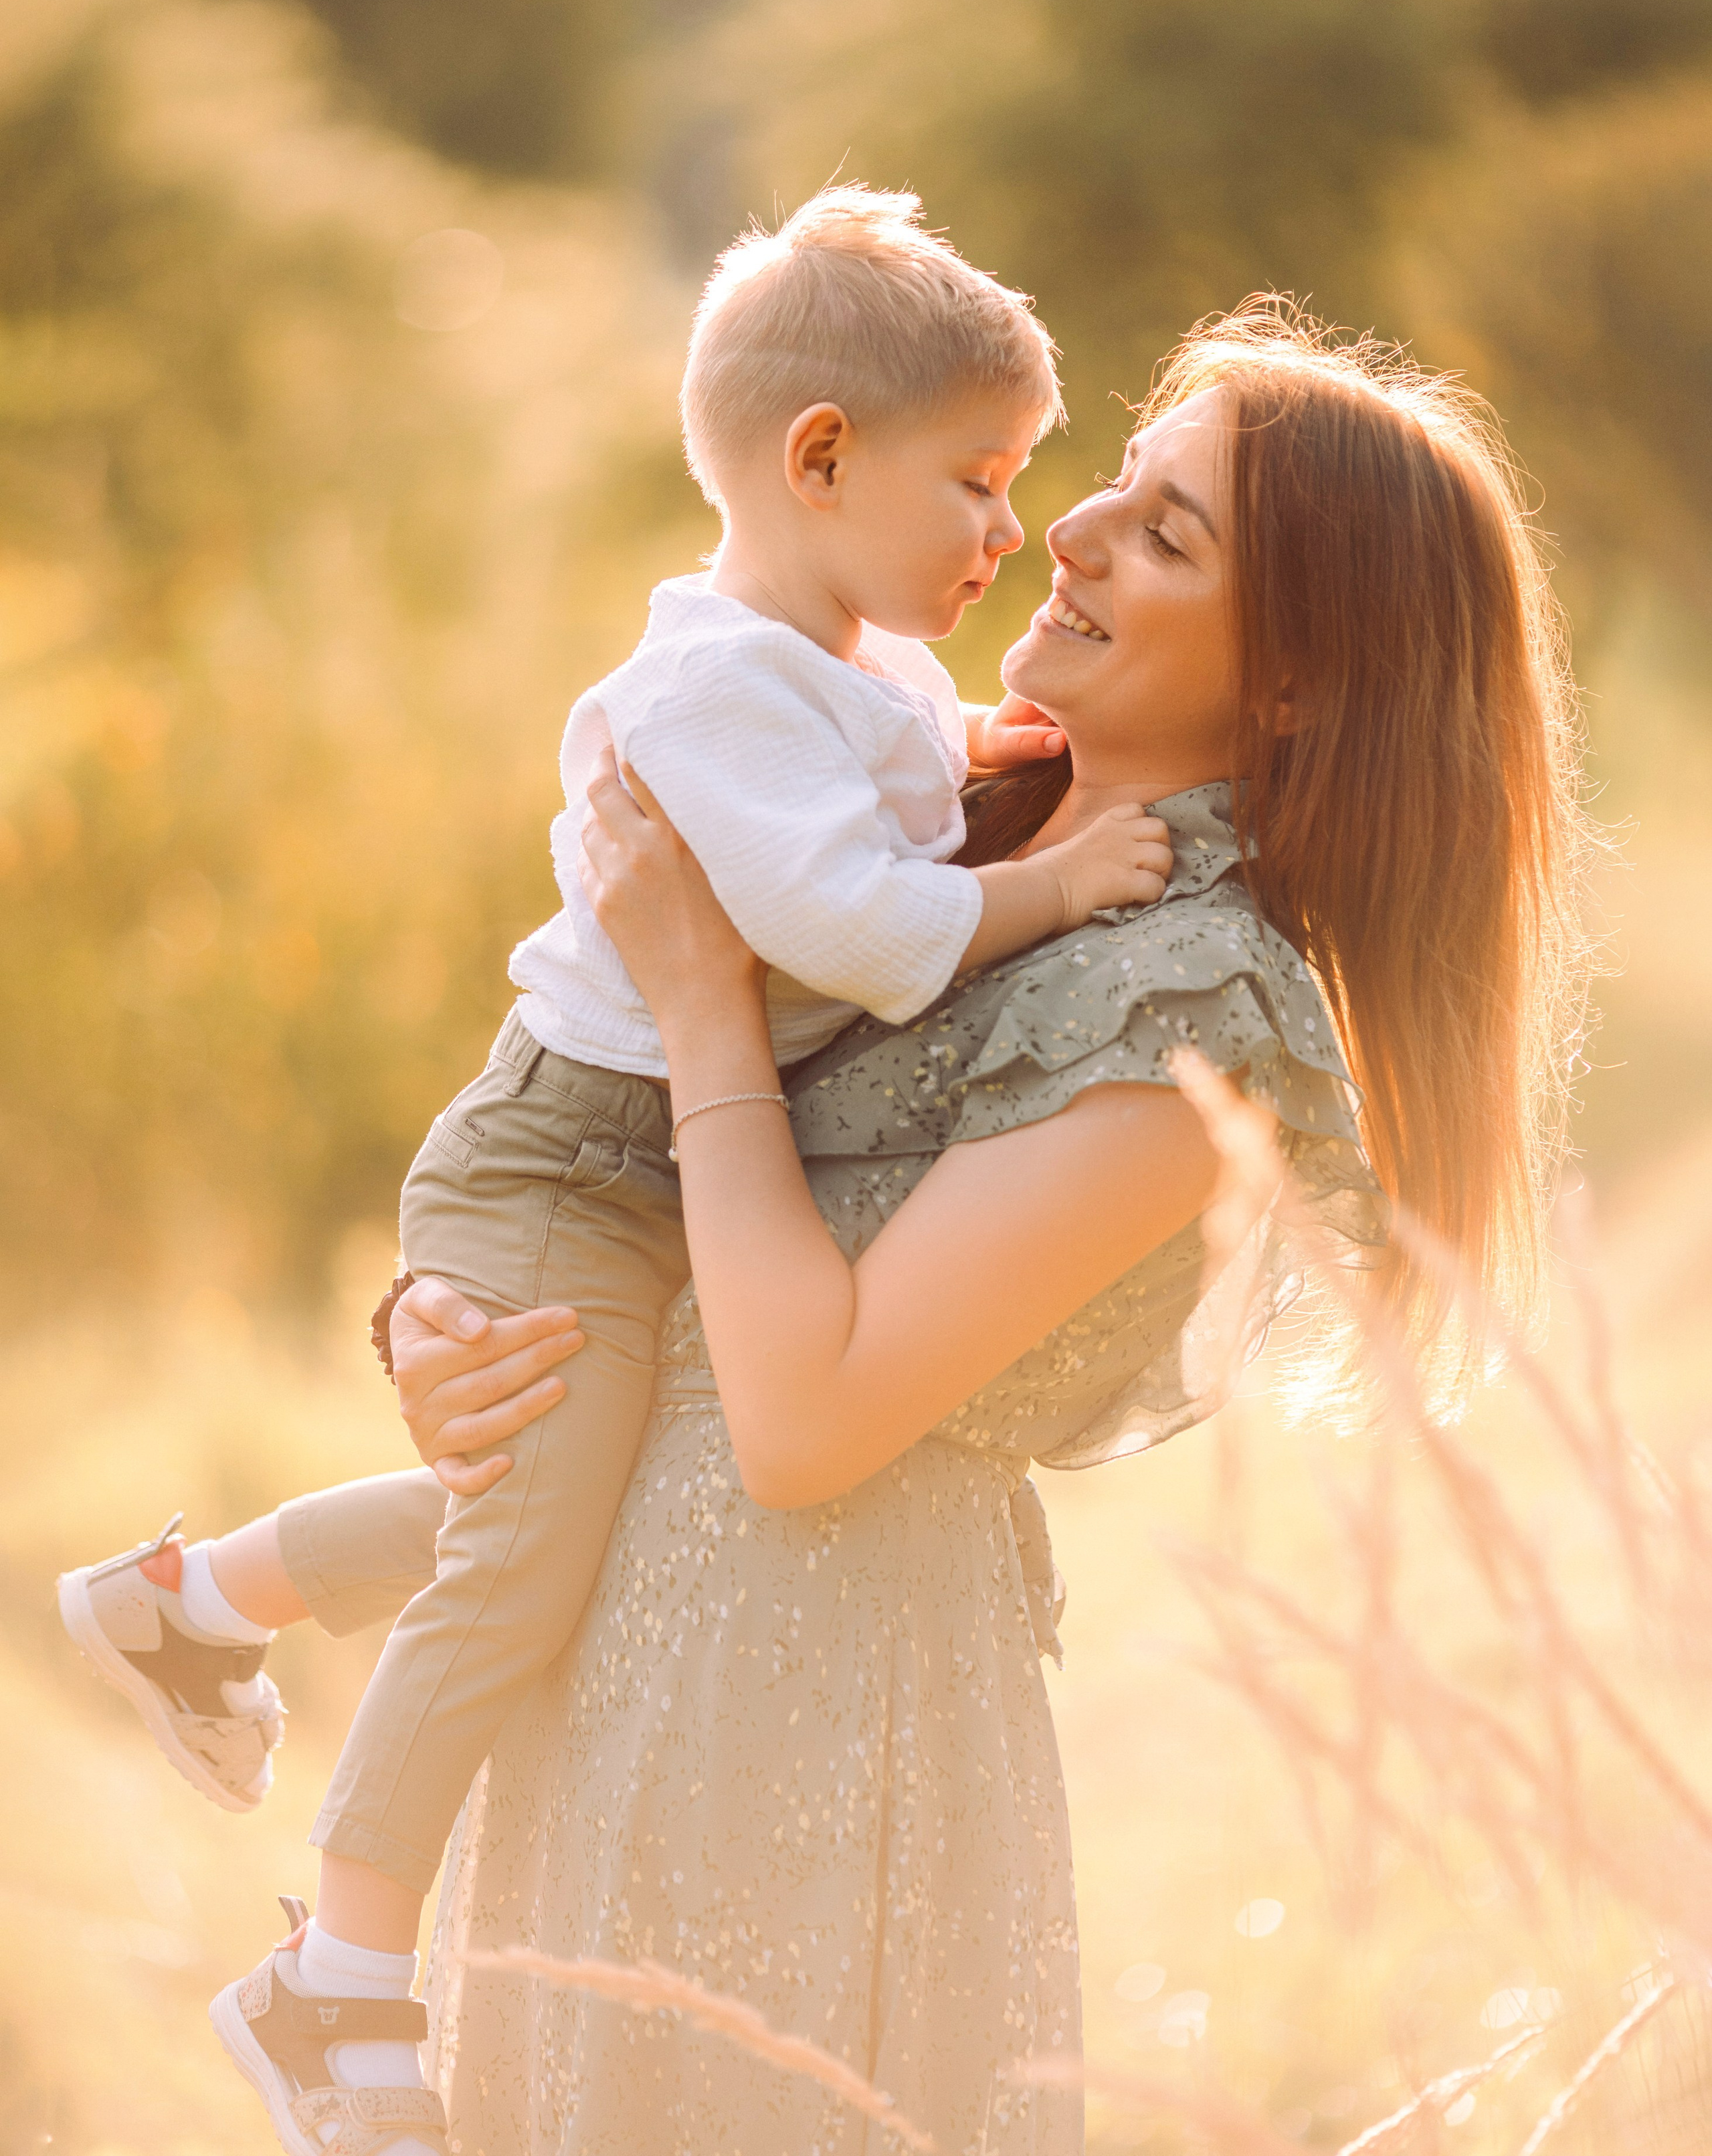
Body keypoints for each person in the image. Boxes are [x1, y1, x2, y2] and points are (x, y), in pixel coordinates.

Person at [81, 300, 1588, 2156]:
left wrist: (711, 1006)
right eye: (1105, 485)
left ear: (1291, 688)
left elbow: (799, 1420)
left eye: (1166, 531)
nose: (1064, 532)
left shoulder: (1185, 1006)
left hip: (805, 1720)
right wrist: (452, 1328)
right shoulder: (914, 811)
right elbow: (630, 1127)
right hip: (604, 1663)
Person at [57, 188, 1177, 2156]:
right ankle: (337, 1978)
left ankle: (197, 1598)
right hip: (570, 1153)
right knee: (524, 1542)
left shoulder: (865, 670)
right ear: (817, 457)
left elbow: (898, 813)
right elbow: (858, 928)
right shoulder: (713, 687)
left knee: (585, 1488)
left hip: (643, 1162)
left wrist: (990, 778)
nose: (1016, 533)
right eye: (981, 482)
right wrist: (1054, 878)